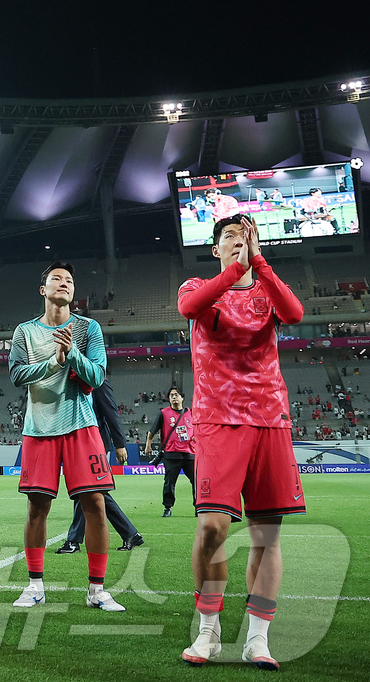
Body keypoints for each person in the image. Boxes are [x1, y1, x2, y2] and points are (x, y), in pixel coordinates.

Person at [178, 214, 304, 670]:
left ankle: (257, 639)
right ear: (215, 249)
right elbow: (190, 310)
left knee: (266, 536)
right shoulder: (195, 286)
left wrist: (261, 265)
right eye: (229, 236)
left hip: (270, 419)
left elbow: (294, 314)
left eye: (245, 236)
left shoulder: (267, 290)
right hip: (217, 420)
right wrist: (235, 268)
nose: (238, 242)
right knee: (213, 527)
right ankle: (208, 631)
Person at [7, 263, 124, 613]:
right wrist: (54, 363)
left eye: (70, 280)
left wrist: (72, 353)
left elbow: (98, 376)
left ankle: (97, 590)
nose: (65, 283)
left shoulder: (89, 329)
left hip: (81, 427)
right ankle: (35, 586)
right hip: (39, 430)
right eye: (57, 279)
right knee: (37, 508)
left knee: (96, 507)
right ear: (43, 289)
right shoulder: (24, 331)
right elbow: (15, 374)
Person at [58, 378, 142, 553]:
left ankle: (73, 541)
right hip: (78, 442)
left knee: (86, 489)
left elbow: (110, 411)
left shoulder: (97, 379)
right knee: (92, 492)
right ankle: (130, 533)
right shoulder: (70, 378)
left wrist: (120, 444)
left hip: (95, 443)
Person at [147, 387, 196, 517]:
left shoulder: (191, 413)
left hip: (190, 453)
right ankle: (167, 507)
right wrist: (148, 445)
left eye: (176, 394)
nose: (174, 397)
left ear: (182, 397)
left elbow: (198, 429)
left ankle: (199, 507)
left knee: (196, 481)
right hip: (171, 453)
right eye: (171, 395)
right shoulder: (163, 413)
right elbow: (152, 431)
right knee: (169, 482)